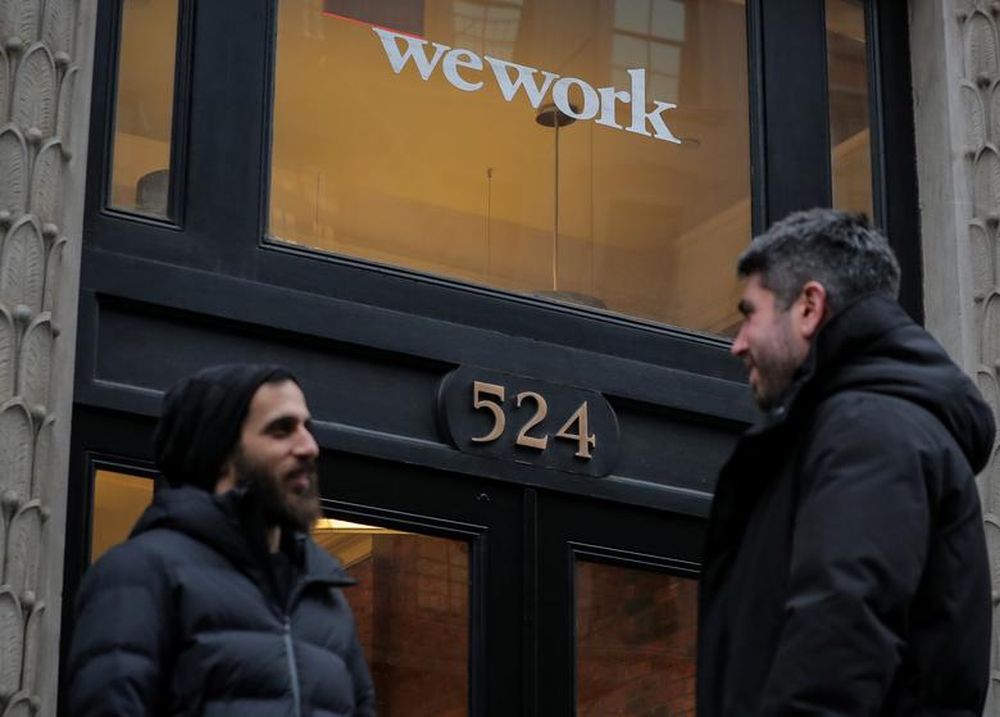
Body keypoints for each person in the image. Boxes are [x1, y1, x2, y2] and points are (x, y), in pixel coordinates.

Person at [697, 209, 994, 715]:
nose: (737, 344)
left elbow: (838, 640)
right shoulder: (848, 430)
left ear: (809, 307)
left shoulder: (870, 431)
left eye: (750, 314)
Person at [67, 364, 375, 716]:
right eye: (281, 430)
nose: (309, 447)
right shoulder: (140, 573)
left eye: (307, 428)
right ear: (223, 452)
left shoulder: (324, 595)